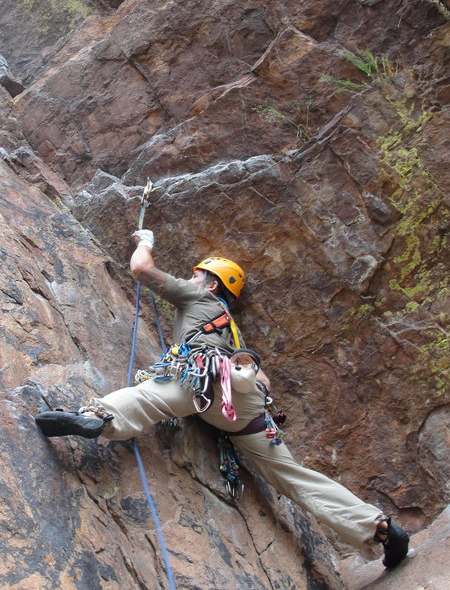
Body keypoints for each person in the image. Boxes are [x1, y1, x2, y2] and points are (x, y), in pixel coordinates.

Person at [35, 229, 409, 569]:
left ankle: (96, 418)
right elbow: (261, 378)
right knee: (293, 477)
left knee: (149, 397)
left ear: (212, 284)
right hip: (247, 406)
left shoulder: (198, 295)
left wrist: (144, 241)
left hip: (203, 379)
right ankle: (380, 530)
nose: (192, 277)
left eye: (197, 274)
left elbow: (141, 269)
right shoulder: (232, 330)